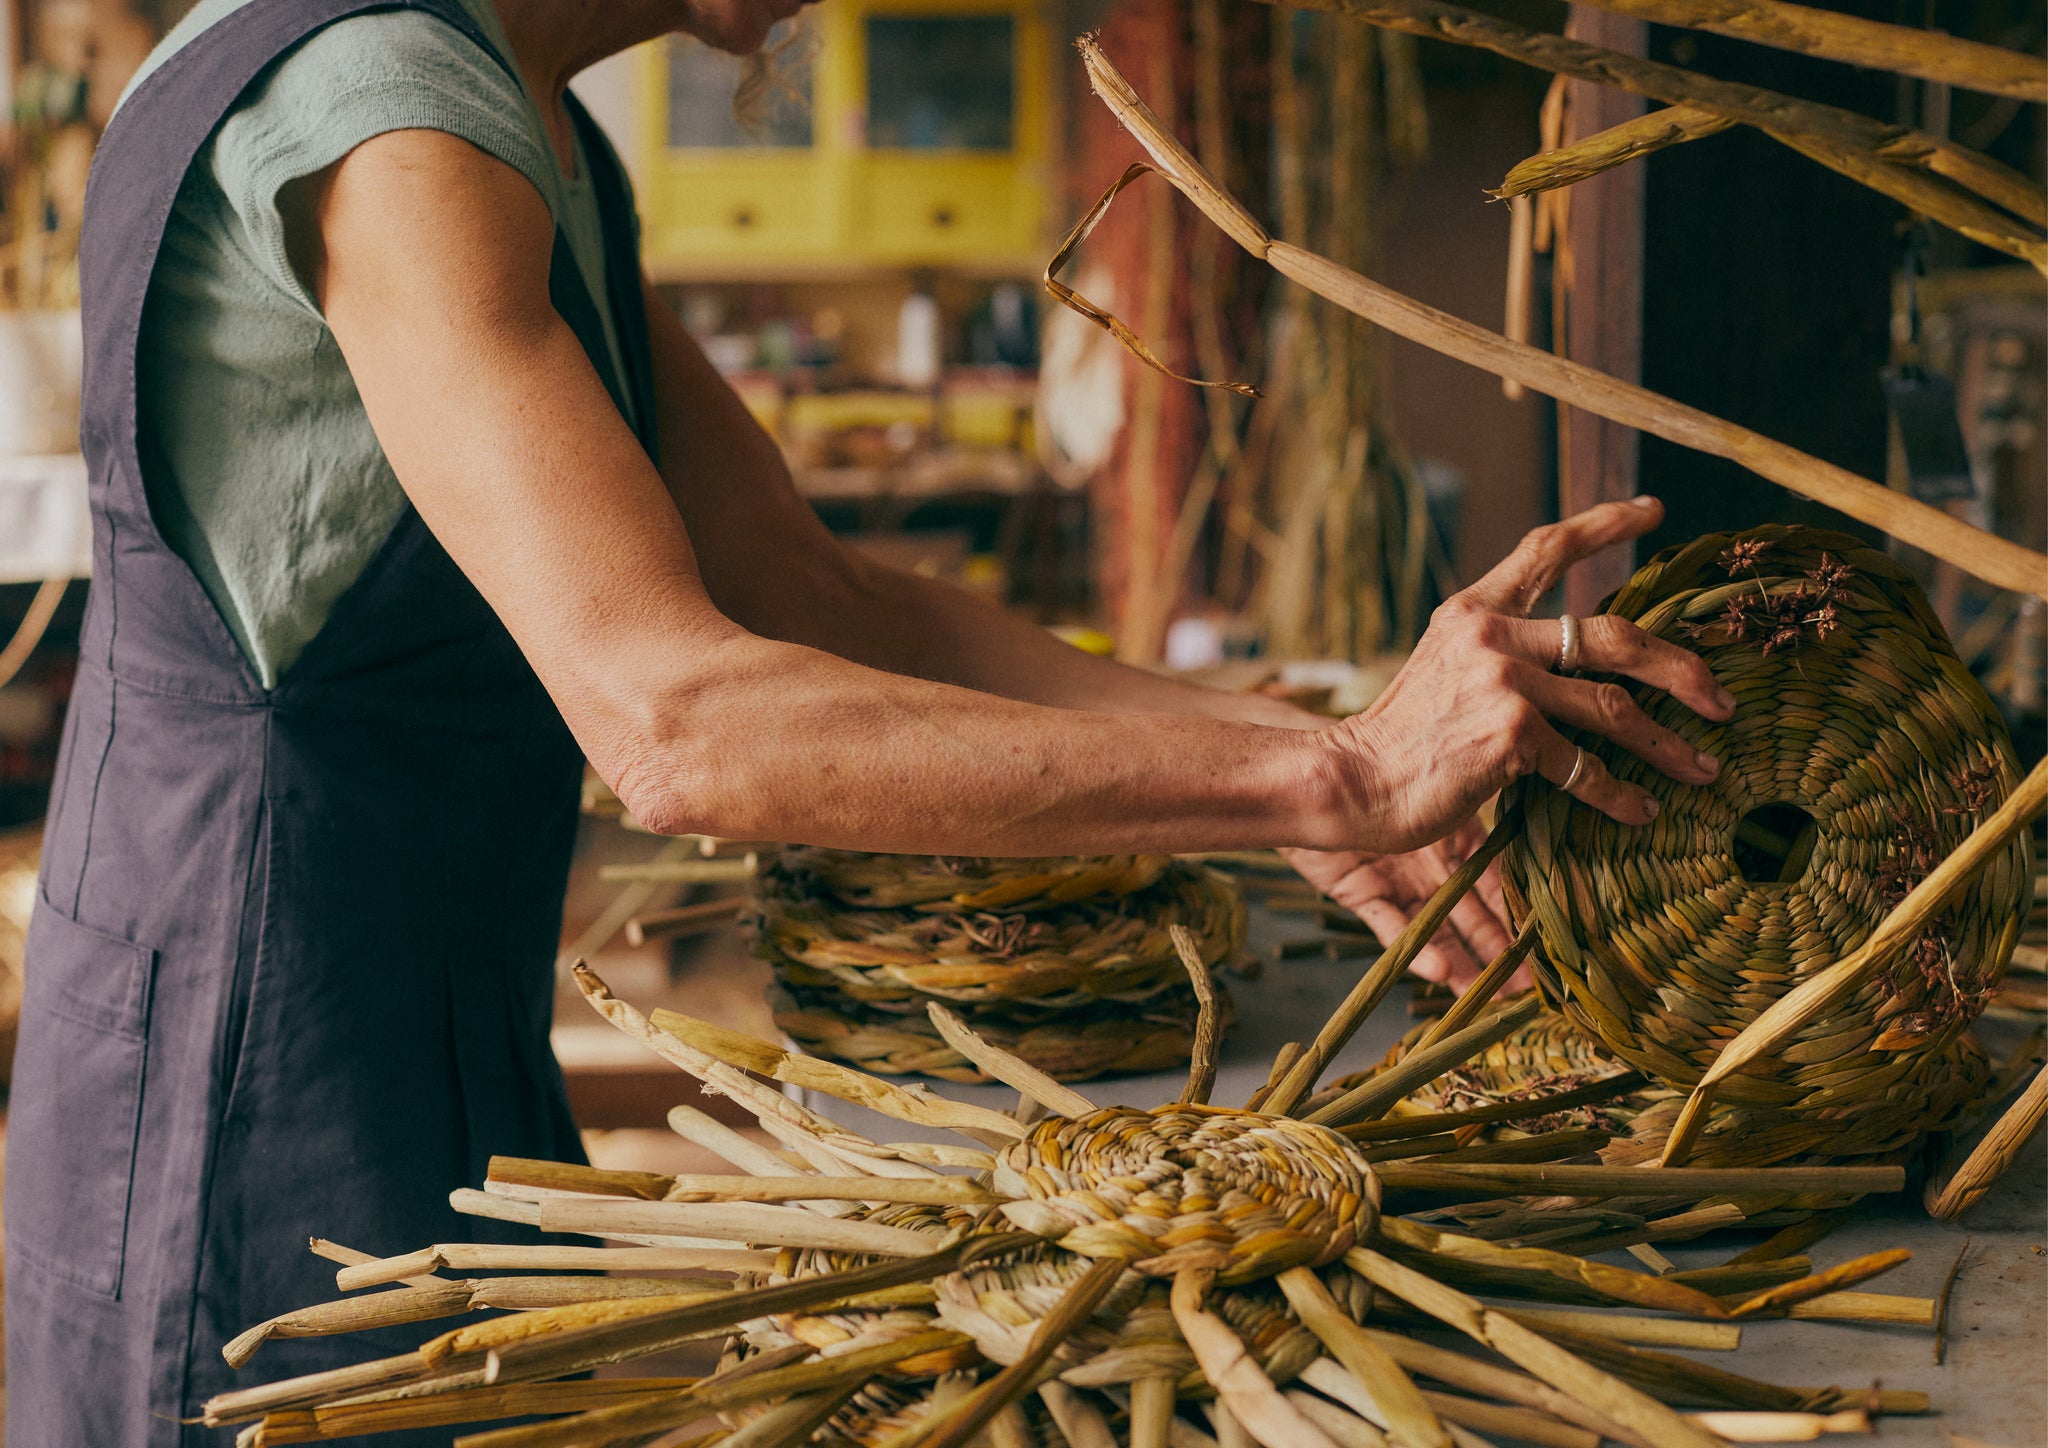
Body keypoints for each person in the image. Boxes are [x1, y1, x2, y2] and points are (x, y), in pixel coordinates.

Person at [4, 0, 1734, 1439]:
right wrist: (1338, 771)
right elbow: (673, 719)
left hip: (415, 1002)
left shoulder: (526, 126)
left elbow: (821, 605)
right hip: (247, 1058)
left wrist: (1298, 783)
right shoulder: (398, 131)